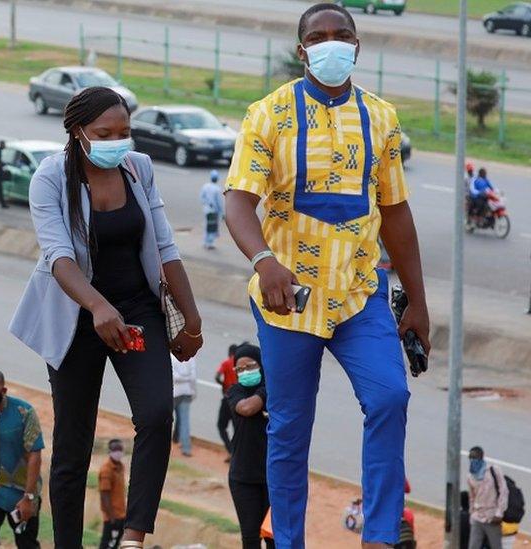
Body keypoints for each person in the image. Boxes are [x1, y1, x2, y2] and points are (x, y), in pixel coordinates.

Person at [224, 4, 431, 548]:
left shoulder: (381, 117)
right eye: (319, 37)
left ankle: (380, 535)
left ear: (358, 47)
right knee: (290, 429)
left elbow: (397, 212)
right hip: (288, 299)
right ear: (302, 51)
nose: (332, 44)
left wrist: (419, 301)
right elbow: (238, 203)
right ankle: (288, 540)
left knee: (390, 399)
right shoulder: (268, 115)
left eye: (343, 35)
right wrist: (264, 261)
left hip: (361, 294)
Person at [9, 86, 203, 549]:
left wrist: (191, 321)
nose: (118, 141)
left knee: (157, 415)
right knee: (74, 447)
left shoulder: (139, 169)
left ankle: (134, 535)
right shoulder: (51, 177)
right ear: (78, 132)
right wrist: (97, 306)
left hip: (137, 311)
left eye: (125, 132)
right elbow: (58, 256)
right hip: (76, 315)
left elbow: (165, 247)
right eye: (105, 133)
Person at [0, 369, 45, 549]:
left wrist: (29, 497)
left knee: (26, 544)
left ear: (4, 391)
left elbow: (35, 455)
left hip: (23, 492)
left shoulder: (24, 412)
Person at [226, 344, 274, 549]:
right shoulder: (235, 391)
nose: (245, 372)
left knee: (273, 536)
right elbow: (246, 408)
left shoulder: (277, 390)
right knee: (250, 537)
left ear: (262, 365)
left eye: (251, 366)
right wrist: (266, 391)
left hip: (272, 477)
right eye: (240, 369)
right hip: (243, 478)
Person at [467, 446, 508, 549]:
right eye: (471, 458)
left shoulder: (493, 470)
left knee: (495, 546)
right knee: (473, 546)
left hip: (492, 517)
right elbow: (472, 496)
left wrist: (499, 513)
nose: (473, 460)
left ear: (481, 457)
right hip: (477, 516)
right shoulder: (470, 476)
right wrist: (472, 513)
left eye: (475, 457)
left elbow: (503, 491)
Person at [98, 439, 128, 549]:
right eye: (115, 449)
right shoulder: (106, 470)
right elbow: (104, 494)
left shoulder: (120, 467)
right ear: (110, 451)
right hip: (112, 517)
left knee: (115, 544)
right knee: (107, 544)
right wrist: (111, 517)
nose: (118, 452)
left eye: (120, 449)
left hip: (121, 514)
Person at [214, 343, 241, 459]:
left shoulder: (226, 363)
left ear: (229, 352)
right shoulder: (239, 363)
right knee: (237, 428)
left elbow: (217, 376)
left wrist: (223, 384)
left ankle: (231, 450)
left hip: (227, 398)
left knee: (221, 426)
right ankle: (236, 452)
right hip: (239, 399)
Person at [171, 354, 197, 457]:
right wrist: (193, 391)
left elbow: (171, 376)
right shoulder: (190, 357)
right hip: (187, 390)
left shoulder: (171, 357)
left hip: (174, 392)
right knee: (184, 420)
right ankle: (186, 448)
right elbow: (193, 377)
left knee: (166, 419)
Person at [200, 169, 225, 249]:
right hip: (214, 211)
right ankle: (210, 243)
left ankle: (205, 241)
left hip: (206, 209)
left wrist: (206, 203)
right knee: (212, 226)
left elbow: (201, 198)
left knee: (207, 225)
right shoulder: (217, 189)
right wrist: (222, 213)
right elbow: (219, 203)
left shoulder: (205, 186)